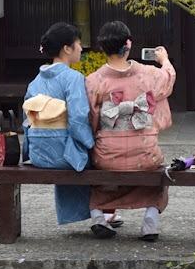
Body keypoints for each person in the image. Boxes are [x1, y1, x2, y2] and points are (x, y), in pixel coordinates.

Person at [85, 20, 176, 240]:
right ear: (128, 44)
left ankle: (98, 217)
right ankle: (150, 222)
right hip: (145, 154)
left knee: (93, 162)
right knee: (157, 169)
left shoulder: (93, 81)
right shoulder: (150, 74)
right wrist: (164, 60)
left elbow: (91, 119)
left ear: (102, 48)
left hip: (108, 156)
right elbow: (169, 80)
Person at [22, 22, 95, 225]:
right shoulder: (73, 78)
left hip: (38, 154)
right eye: (78, 44)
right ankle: (101, 214)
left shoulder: (35, 81)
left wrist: (29, 150)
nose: (81, 48)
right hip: (64, 155)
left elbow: (26, 122)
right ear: (67, 48)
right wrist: (92, 145)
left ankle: (99, 214)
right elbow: (78, 119)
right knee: (97, 155)